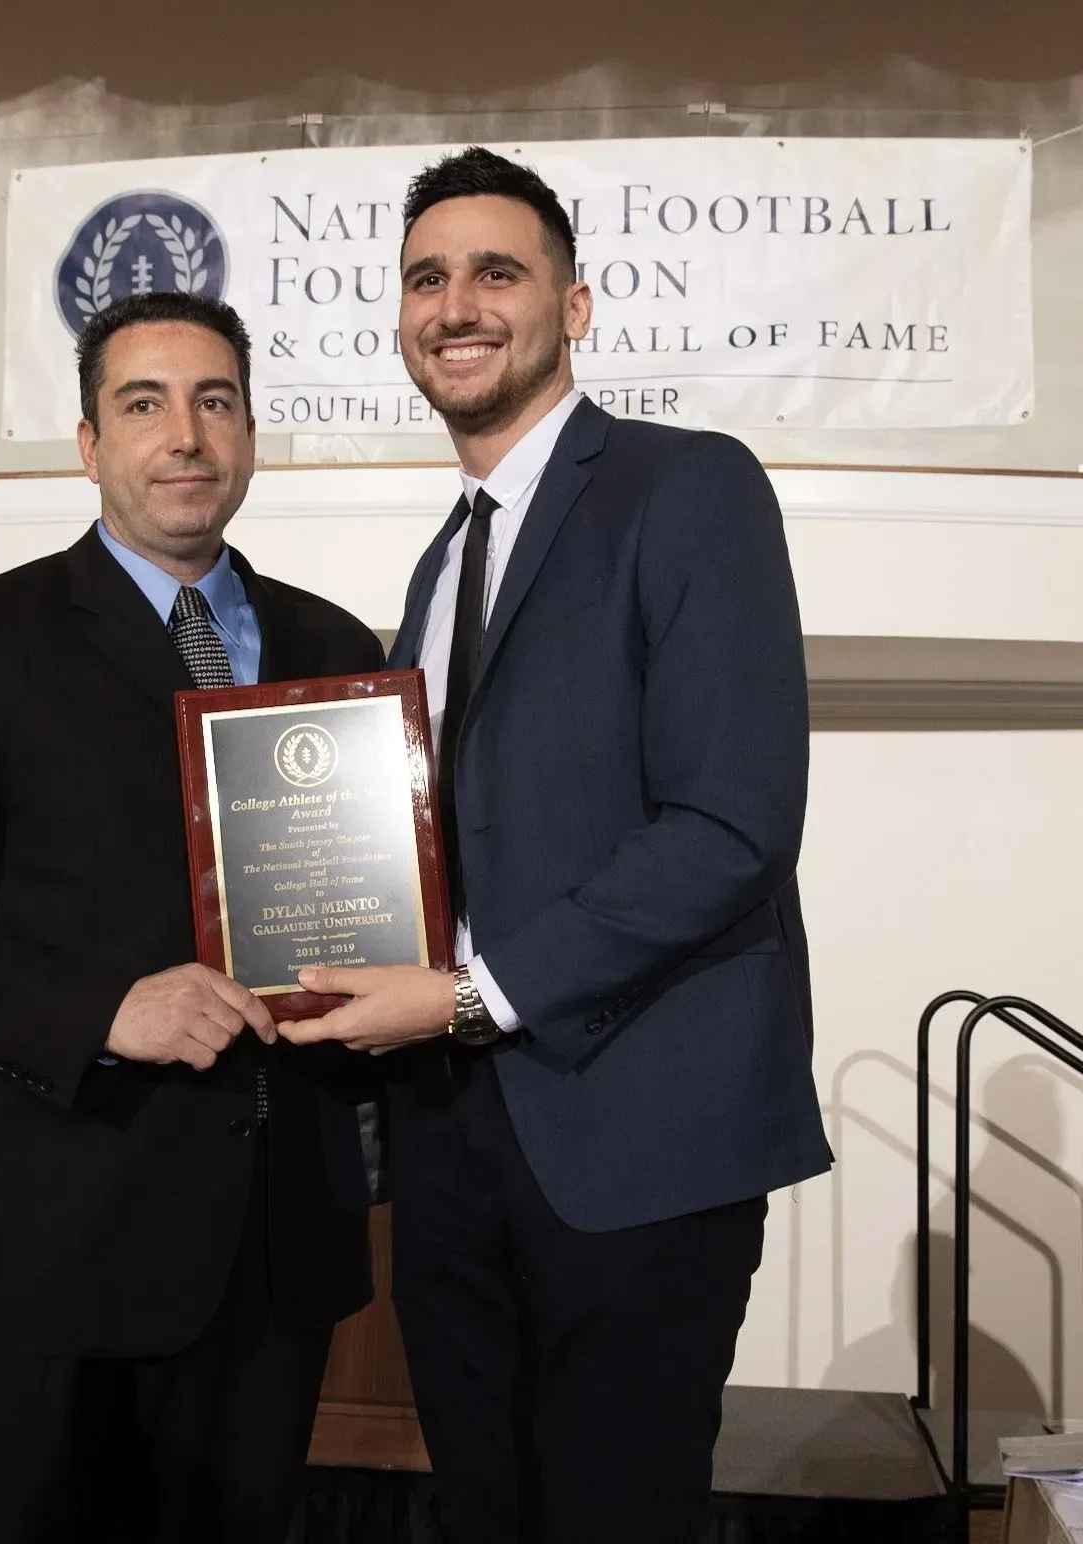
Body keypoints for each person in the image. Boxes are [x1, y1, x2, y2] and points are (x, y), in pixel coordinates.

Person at [283, 147, 833, 1543]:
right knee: (486, 1510)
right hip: (454, 1132)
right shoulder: (438, 563)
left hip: (636, 1130)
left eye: (496, 271)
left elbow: (730, 827)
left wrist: (467, 992)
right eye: (426, 277)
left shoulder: (686, 488)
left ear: (574, 308)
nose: (455, 302)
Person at [0, 291, 384, 1544]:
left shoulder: (336, 649)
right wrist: (105, 1009)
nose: (184, 434)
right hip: (53, 1248)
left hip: (274, 1253)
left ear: (248, 434)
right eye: (144, 403)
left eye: (215, 401)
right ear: (89, 443)